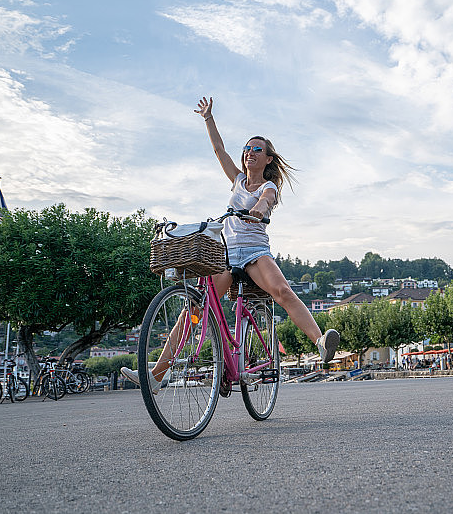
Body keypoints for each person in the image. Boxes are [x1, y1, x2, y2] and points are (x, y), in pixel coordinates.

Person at [122, 96, 340, 392]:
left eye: (257, 149)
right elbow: (218, 150)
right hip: (226, 253)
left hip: (254, 252)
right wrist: (208, 119)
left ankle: (320, 341)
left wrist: (259, 212)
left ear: (268, 159)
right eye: (247, 149)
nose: (250, 152)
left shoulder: (268, 186)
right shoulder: (237, 180)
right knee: (196, 307)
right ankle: (158, 375)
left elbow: (266, 201)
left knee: (282, 291)